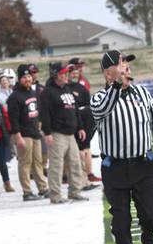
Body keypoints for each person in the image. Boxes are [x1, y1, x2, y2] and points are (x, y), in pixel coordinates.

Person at [90, 50, 153, 244]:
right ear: (107, 73)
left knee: (150, 217)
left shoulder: (142, 94)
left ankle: (149, 239)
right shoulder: (98, 99)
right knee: (120, 223)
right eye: (121, 64)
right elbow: (102, 109)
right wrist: (115, 86)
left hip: (143, 165)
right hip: (115, 169)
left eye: (127, 64)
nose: (127, 67)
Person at [39, 62, 86, 203]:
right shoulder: (48, 92)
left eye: (67, 73)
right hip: (57, 133)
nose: (66, 76)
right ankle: (55, 195)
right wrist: (47, 133)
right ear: (55, 75)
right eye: (63, 73)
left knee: (75, 164)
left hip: (71, 134)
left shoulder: (67, 89)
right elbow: (44, 114)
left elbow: (75, 110)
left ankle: (75, 192)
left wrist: (80, 127)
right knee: (56, 166)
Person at [7, 65, 48, 201]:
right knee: (25, 163)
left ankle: (43, 188)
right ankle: (27, 191)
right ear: (19, 79)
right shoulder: (14, 97)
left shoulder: (33, 92)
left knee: (38, 162)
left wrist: (40, 128)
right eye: (24, 77)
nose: (27, 79)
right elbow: (13, 120)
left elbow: (38, 112)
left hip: (35, 132)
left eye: (29, 76)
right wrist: (17, 136)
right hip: (23, 134)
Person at [68, 61, 100, 184]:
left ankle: (88, 173)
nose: (74, 75)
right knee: (75, 148)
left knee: (85, 147)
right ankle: (73, 175)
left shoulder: (82, 88)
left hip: (84, 120)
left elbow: (88, 106)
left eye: (76, 73)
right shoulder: (66, 88)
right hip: (72, 120)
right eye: (72, 73)